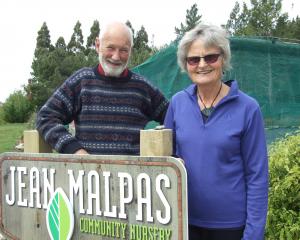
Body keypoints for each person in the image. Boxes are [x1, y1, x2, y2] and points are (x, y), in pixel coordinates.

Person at [164, 23, 268, 240]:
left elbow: (257, 176)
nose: (202, 65)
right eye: (194, 59)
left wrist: (253, 234)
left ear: (223, 60)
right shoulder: (177, 103)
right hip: (184, 222)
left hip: (230, 227)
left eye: (210, 57)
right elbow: (167, 160)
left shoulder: (248, 109)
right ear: (186, 64)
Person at [36, 22, 168, 155]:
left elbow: (174, 116)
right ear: (98, 45)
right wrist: (74, 149)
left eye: (123, 50)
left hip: (131, 174)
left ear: (130, 51)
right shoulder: (81, 82)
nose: (116, 57)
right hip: (89, 173)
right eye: (110, 48)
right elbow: (45, 117)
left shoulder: (142, 88)